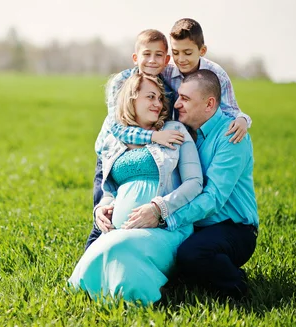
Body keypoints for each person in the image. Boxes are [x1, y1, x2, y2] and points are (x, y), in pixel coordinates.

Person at [86, 20, 251, 249]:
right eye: (176, 53)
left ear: (166, 60)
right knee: (103, 215)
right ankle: (93, 251)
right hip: (113, 152)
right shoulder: (123, 82)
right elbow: (117, 127)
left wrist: (243, 119)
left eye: (160, 56)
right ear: (136, 58)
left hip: (154, 151)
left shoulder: (180, 79)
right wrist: (154, 137)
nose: (153, 61)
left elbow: (227, 108)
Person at [68, 72, 203, 305]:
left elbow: (195, 183)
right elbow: (110, 189)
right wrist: (103, 207)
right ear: (131, 98)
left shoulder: (174, 131)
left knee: (117, 246)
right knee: (99, 250)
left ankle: (143, 299)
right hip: (121, 229)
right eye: (150, 96)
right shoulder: (117, 140)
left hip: (166, 229)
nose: (158, 103)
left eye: (160, 99)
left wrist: (159, 208)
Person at [163, 69, 259, 299]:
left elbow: (213, 199)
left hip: (233, 228)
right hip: (196, 224)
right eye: (179, 97)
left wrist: (166, 217)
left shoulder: (232, 136)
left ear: (209, 104)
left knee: (192, 254)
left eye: (185, 99)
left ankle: (236, 285)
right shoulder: (184, 133)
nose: (177, 104)